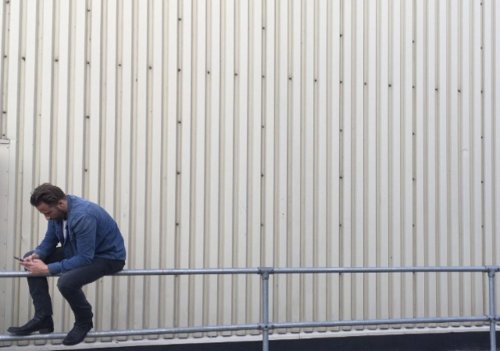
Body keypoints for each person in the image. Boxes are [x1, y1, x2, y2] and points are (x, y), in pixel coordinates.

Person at [8, 183, 126, 346]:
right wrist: (38, 254)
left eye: (47, 213)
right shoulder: (56, 213)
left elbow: (85, 258)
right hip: (79, 250)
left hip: (107, 257)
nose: (46, 217)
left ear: (61, 204)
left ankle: (84, 322)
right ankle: (43, 317)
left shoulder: (83, 215)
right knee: (31, 259)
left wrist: (48, 268)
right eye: (43, 213)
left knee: (66, 282)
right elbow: (50, 240)